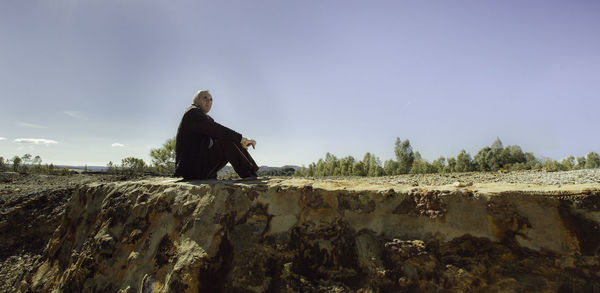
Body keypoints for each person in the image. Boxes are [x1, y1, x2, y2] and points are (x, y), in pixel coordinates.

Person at [174, 90, 259, 180]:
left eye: (211, 99)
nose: (208, 101)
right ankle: (249, 173)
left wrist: (240, 142)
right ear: (196, 101)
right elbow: (218, 130)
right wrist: (242, 139)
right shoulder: (193, 113)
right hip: (191, 170)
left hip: (198, 167)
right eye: (205, 98)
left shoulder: (202, 117)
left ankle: (251, 172)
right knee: (226, 138)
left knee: (228, 137)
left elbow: (217, 134)